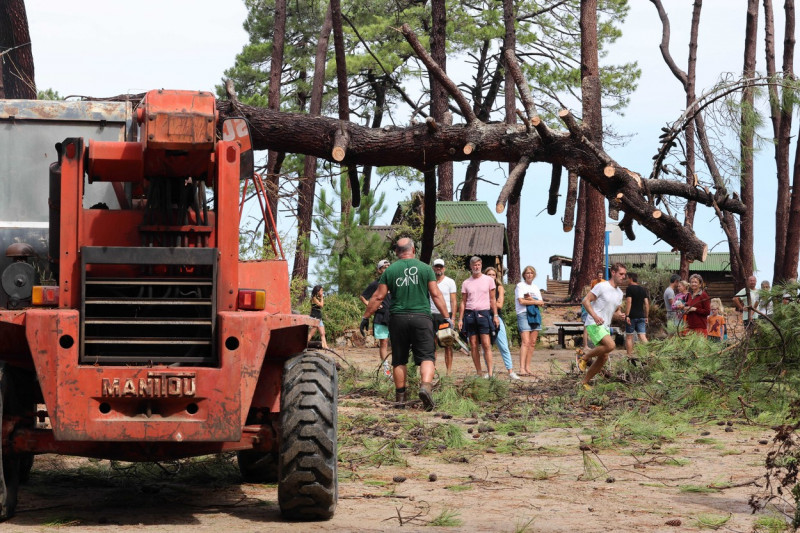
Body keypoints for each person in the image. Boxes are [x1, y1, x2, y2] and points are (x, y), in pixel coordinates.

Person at [362, 238, 449, 411]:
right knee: (427, 357)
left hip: (398, 319)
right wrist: (447, 317)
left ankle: (400, 399)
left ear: (396, 252)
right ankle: (425, 387)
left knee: (399, 359)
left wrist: (365, 317)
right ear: (413, 250)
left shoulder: (390, 270)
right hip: (421, 318)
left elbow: (378, 296)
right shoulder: (425, 269)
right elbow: (436, 294)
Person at [577, 262, 627, 391]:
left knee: (604, 356)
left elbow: (615, 313)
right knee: (610, 345)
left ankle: (584, 382)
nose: (623, 277)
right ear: (613, 272)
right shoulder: (601, 286)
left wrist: (621, 316)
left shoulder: (620, 293)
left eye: (624, 275)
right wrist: (594, 316)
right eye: (621, 274)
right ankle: (584, 357)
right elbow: (585, 301)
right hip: (594, 323)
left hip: (605, 325)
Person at [458, 256, 500, 378]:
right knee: (473, 344)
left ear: (481, 265)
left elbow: (493, 299)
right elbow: (463, 302)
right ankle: (479, 372)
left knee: (486, 344)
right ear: (470, 267)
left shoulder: (489, 280)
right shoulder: (466, 282)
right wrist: (460, 319)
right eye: (474, 265)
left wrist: (495, 315)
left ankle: (490, 372)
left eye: (478, 265)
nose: (476, 267)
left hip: (484, 313)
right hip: (470, 314)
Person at [484, 266, 520, 380]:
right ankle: (489, 373)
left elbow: (499, 305)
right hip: (484, 318)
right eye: (488, 274)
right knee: (486, 346)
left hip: (496, 317)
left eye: (493, 275)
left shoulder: (499, 288)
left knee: (503, 345)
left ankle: (510, 371)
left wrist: (486, 302)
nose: (491, 276)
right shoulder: (481, 288)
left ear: (496, 277)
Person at [360, 259, 392, 378]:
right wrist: (372, 306)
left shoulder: (395, 282)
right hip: (381, 316)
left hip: (394, 316)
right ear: (379, 270)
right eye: (384, 267)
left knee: (398, 343)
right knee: (383, 343)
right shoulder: (375, 284)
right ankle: (386, 369)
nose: (387, 268)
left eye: (389, 266)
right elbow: (363, 296)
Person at [514, 266, 544, 377]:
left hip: (535, 315)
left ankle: (527, 367)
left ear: (534, 275)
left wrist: (532, 300)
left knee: (532, 342)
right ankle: (521, 368)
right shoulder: (520, 286)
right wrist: (534, 301)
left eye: (531, 273)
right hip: (523, 313)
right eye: (527, 273)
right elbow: (521, 301)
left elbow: (542, 302)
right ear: (524, 274)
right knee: (525, 342)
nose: (529, 274)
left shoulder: (536, 287)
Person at [430, 258, 458, 375]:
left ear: (444, 268)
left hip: (446, 316)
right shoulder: (429, 281)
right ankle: (432, 369)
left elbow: (453, 301)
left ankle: (449, 372)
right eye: (436, 266)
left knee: (447, 344)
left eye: (440, 267)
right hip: (431, 314)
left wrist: (453, 318)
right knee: (432, 344)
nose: (439, 269)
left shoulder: (450, 282)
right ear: (433, 268)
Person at [624, 272, 649, 356]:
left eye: (627, 278)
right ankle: (649, 353)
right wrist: (646, 316)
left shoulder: (629, 289)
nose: (626, 280)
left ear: (631, 278)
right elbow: (646, 303)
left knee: (629, 337)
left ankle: (629, 356)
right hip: (641, 316)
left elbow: (629, 302)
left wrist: (627, 315)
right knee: (642, 336)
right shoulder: (643, 289)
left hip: (631, 316)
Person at [308, 285, 329, 349]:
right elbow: (321, 305)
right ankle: (304, 344)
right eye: (321, 290)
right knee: (311, 333)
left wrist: (321, 297)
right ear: (317, 291)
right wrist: (322, 297)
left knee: (322, 333)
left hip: (319, 317)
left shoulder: (318, 298)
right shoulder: (314, 298)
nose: (322, 292)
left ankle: (325, 346)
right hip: (315, 317)